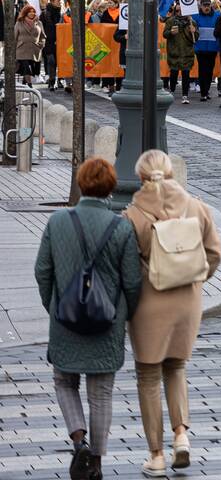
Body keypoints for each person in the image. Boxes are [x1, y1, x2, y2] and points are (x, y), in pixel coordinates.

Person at [34, 158, 141, 480]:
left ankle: (78, 442)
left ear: (81, 185)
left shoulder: (57, 222)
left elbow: (42, 271)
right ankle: (95, 461)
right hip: (106, 323)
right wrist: (125, 314)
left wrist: (52, 306)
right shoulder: (121, 227)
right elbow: (132, 282)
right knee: (101, 392)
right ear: (110, 187)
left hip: (65, 320)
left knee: (64, 381)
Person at [123, 150, 221, 478]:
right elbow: (214, 254)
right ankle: (182, 435)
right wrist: (194, 279)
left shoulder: (133, 215)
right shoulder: (196, 206)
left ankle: (156, 455)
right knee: (176, 367)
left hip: (149, 305)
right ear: (170, 173)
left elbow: (125, 269)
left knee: (149, 376)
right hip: (187, 303)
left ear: (140, 178)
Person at [163, 4, 197, 104]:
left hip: (187, 53)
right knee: (173, 73)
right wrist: (170, 33)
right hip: (174, 52)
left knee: (186, 75)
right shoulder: (170, 21)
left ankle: (185, 95)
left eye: (181, 10)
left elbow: (196, 38)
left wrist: (193, 31)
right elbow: (165, 34)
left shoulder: (191, 22)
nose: (179, 12)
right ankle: (172, 91)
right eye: (177, 11)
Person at [192, 0, 220, 103]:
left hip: (212, 48)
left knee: (209, 71)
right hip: (200, 48)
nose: (206, 7)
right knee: (202, 70)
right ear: (201, 6)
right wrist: (192, 29)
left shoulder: (217, 15)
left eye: (208, 5)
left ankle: (206, 91)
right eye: (204, 5)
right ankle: (203, 92)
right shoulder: (195, 17)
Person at [15, 3, 46, 86]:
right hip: (22, 49)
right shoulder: (19, 23)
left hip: (35, 49)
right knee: (26, 67)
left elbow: (43, 36)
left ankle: (25, 82)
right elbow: (14, 37)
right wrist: (13, 50)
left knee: (33, 69)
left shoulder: (39, 23)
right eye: (30, 12)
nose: (32, 13)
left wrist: (41, 44)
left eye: (33, 11)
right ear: (25, 13)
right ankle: (29, 84)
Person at [42, 0, 64, 91]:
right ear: (52, 2)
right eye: (58, 1)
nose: (60, 2)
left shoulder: (63, 13)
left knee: (61, 62)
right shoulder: (45, 13)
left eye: (60, 1)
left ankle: (60, 80)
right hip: (49, 41)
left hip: (61, 41)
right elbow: (41, 27)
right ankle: (51, 81)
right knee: (51, 61)